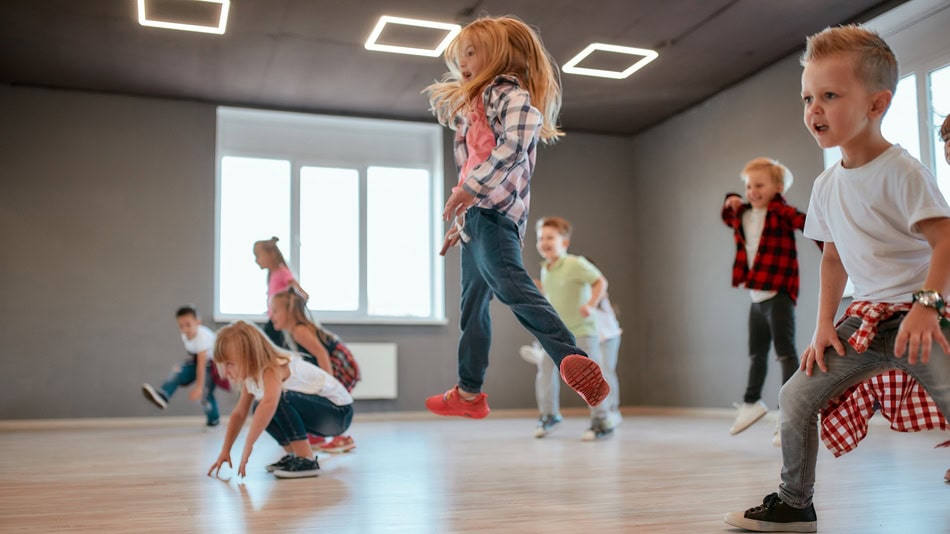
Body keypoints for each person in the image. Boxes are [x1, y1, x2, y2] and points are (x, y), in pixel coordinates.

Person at [725, 26, 950, 532]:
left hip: (919, 317)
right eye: (808, 98)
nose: (814, 109)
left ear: (877, 104)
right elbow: (832, 260)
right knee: (794, 396)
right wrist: (823, 325)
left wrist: (925, 306)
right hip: (862, 319)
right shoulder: (827, 185)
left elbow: (946, 241)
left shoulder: (904, 172)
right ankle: (794, 503)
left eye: (830, 96)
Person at [421, 15, 609, 418]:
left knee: (511, 286)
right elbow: (469, 167)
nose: (464, 62)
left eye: (472, 52)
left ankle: (570, 357)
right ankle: (469, 392)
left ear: (498, 54)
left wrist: (469, 192)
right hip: (475, 220)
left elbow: (514, 146)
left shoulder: (510, 95)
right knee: (471, 306)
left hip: (496, 215)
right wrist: (461, 215)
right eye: (461, 55)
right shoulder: (472, 109)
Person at [721, 157, 810, 446]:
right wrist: (730, 199)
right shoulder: (743, 213)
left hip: (779, 294)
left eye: (759, 185)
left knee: (785, 354)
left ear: (778, 187)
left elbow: (807, 223)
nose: (752, 191)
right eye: (748, 186)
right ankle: (752, 403)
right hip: (756, 296)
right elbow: (727, 214)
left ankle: (789, 414)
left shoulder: (780, 212)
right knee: (756, 353)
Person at [207, 321, 354, 479]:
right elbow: (239, 414)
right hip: (323, 416)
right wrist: (225, 450)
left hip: (339, 413)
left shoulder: (273, 369)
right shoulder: (250, 378)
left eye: (230, 364)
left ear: (249, 357)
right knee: (259, 407)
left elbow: (270, 403)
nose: (226, 371)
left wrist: (248, 445)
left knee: (276, 401)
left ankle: (306, 459)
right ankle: (294, 455)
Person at [531, 217, 613, 440]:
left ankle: (602, 421)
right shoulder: (546, 269)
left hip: (583, 330)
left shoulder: (576, 264)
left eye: (550, 237)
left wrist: (590, 304)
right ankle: (549, 416)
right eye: (540, 238)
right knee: (545, 373)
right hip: (556, 334)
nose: (544, 242)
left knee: (592, 377)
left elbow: (600, 282)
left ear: (564, 243)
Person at [270, 288, 361, 453]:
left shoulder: (299, 331)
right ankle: (321, 435)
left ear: (289, 312)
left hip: (338, 363)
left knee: (333, 399)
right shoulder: (295, 331)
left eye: (275, 311)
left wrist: (329, 383)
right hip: (337, 360)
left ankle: (340, 438)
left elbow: (322, 354)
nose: (271, 316)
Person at [142, 305, 224, 429]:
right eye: (181, 326)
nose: (185, 329)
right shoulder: (185, 335)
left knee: (205, 394)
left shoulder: (203, 337)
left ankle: (214, 421)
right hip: (198, 362)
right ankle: (164, 395)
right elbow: (195, 357)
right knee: (178, 371)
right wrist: (184, 368)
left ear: (197, 322)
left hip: (212, 366)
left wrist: (198, 387)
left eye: (188, 324)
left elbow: (202, 365)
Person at [253, 237, 308, 347]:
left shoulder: (282, 272)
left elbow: (303, 294)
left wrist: (289, 309)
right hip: (274, 319)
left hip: (280, 321)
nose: (256, 260)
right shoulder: (273, 274)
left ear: (270, 255)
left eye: (258, 256)